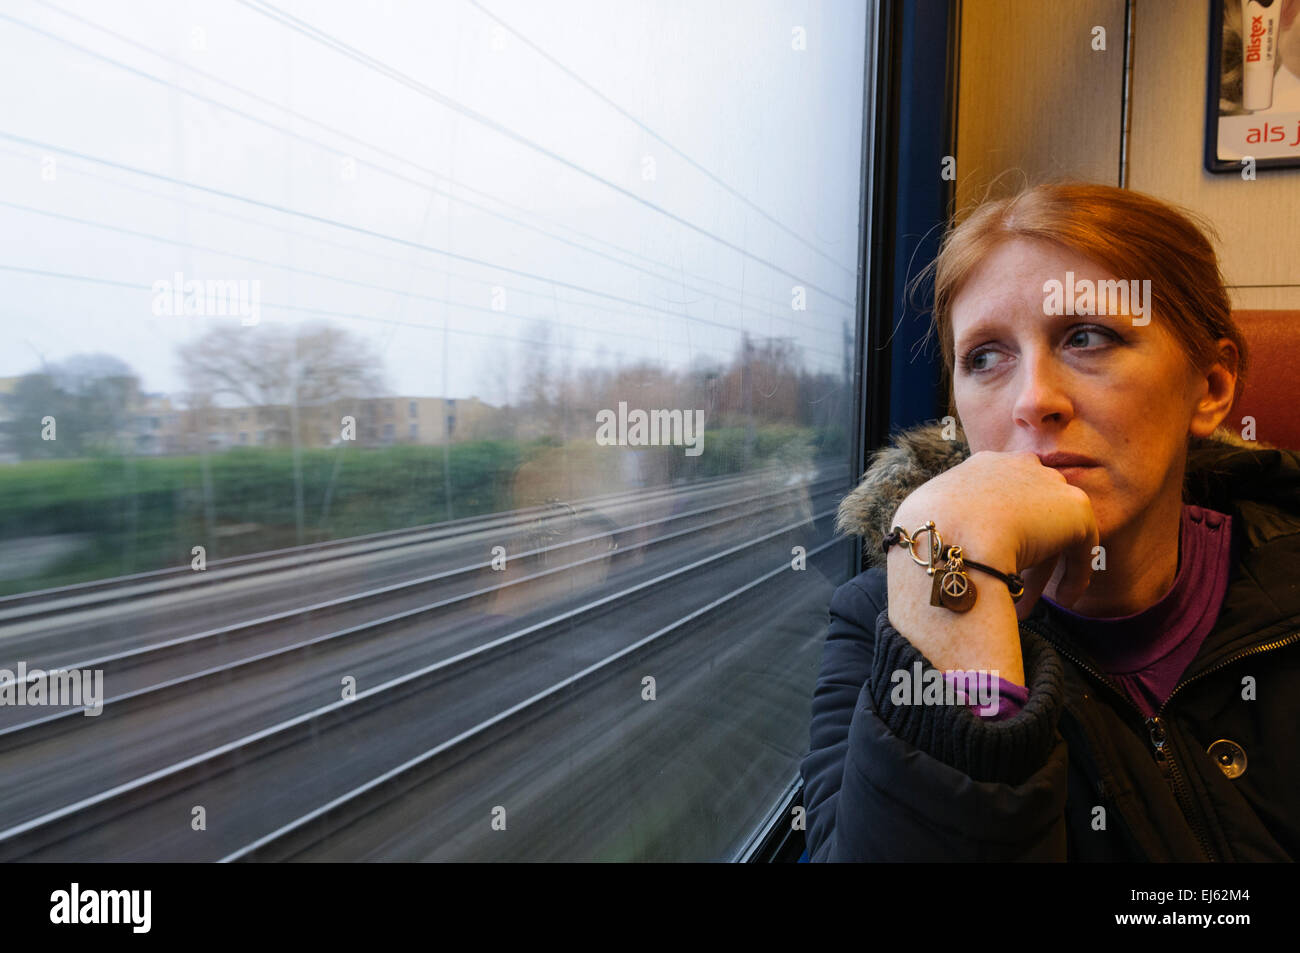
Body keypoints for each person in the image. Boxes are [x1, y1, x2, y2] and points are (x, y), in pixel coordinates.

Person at [801, 183, 1300, 861]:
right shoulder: (880, 622)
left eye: (1087, 337)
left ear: (1209, 388)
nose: (1034, 400)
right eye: (985, 357)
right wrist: (954, 594)